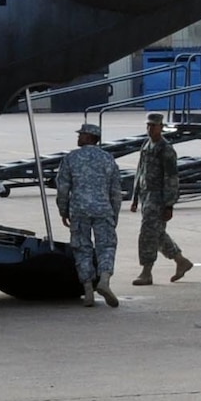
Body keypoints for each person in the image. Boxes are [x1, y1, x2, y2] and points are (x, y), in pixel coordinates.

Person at [56, 123, 123, 308]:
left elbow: (63, 188)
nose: (78, 137)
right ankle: (104, 280)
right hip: (103, 209)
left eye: (81, 134)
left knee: (82, 248)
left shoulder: (71, 158)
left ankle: (88, 290)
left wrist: (63, 210)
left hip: (79, 210)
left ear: (90, 137)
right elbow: (116, 190)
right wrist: (114, 214)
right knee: (107, 246)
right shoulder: (108, 158)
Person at [129, 112, 193, 286]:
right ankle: (181, 261)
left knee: (148, 234)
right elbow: (140, 171)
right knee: (157, 233)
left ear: (161, 127)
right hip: (146, 195)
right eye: (148, 125)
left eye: (153, 126)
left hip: (158, 197)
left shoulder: (166, 149)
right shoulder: (146, 145)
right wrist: (135, 197)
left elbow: (172, 178)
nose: (150, 129)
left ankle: (146, 272)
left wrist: (169, 204)